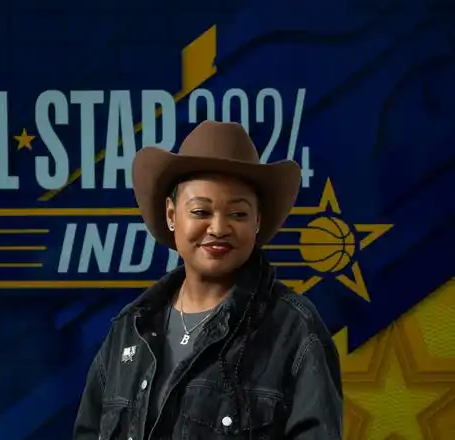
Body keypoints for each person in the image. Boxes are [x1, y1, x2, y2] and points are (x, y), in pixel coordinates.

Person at [73, 121, 343, 439]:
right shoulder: (130, 328)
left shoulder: (295, 331)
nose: (218, 228)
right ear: (172, 216)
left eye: (238, 214)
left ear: (258, 220)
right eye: (201, 211)